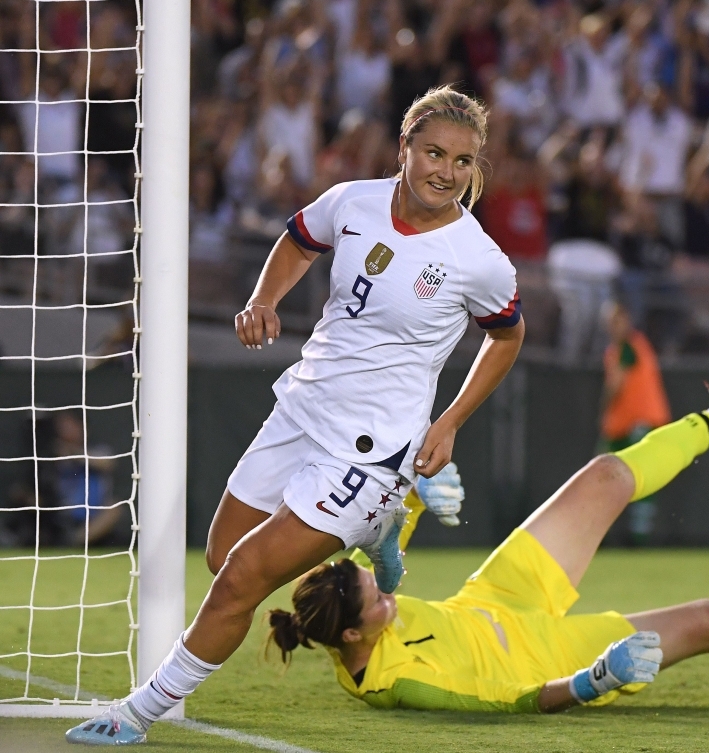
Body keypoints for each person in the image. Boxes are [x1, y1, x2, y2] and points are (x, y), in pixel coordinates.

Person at [66, 85, 525, 745]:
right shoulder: (353, 201)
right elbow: (299, 239)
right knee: (224, 556)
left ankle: (137, 712)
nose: (446, 172)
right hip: (303, 406)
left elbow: (507, 336)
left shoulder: (477, 258)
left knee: (242, 582)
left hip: (368, 451)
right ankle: (377, 532)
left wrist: (449, 419)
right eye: (434, 153)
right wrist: (263, 299)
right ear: (404, 147)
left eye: (462, 162)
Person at [261, 332, 709, 713]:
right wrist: (591, 681)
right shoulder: (398, 681)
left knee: (604, 473)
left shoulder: (358, 610)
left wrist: (406, 510)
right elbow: (512, 705)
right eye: (377, 600)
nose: (388, 594)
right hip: (550, 656)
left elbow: (384, 547)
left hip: (496, 596)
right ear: (353, 633)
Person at [599, 302, 672, 545]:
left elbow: (616, 385)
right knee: (614, 479)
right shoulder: (620, 349)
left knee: (635, 480)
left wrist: (603, 404)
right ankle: (615, 534)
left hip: (639, 421)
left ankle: (638, 538)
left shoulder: (629, 346)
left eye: (617, 320)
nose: (614, 326)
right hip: (622, 423)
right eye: (611, 321)